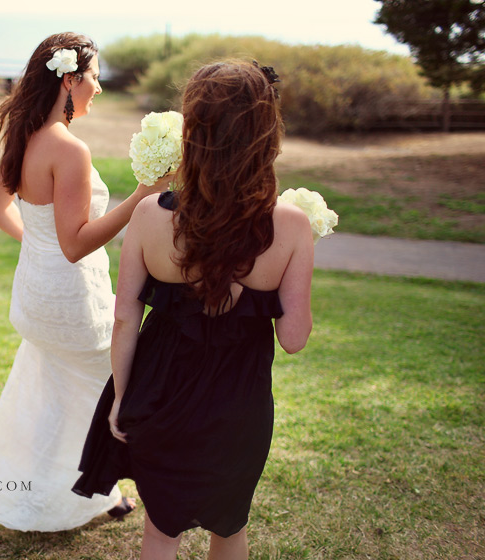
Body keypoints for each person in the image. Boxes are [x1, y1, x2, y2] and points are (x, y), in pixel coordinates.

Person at [72, 60, 315, 559]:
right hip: (239, 405)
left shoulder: (147, 214)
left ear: (194, 130)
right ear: (266, 132)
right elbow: (293, 338)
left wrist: (121, 398)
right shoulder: (292, 226)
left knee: (161, 530)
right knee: (230, 526)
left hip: (161, 394)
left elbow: (125, 317)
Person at [0, 32, 169, 531]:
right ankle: (97, 489)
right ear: (69, 80)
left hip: (35, 292)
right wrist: (142, 196)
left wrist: (36, 245)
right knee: (109, 388)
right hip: (71, 301)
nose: (98, 88)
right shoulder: (69, 150)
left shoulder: (24, 137)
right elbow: (76, 244)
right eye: (93, 78)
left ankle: (78, 489)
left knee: (56, 393)